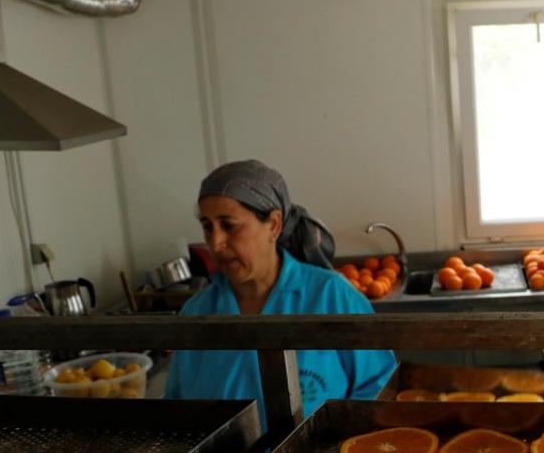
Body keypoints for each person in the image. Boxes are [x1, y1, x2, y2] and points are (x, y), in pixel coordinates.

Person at [165, 160, 396, 425]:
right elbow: (177, 410)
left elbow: (380, 389)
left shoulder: (331, 297)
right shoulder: (197, 314)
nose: (216, 243)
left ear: (273, 224)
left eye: (229, 225)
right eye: (207, 226)